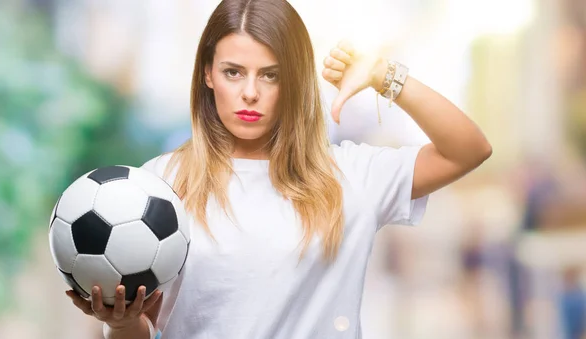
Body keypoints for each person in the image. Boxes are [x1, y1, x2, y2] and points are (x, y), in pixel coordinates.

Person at [66, 0, 492, 338]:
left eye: (270, 75)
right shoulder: (161, 185)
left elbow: (469, 149)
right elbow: (145, 327)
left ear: (294, 81)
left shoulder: (349, 176)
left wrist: (384, 74)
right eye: (234, 72)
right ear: (208, 75)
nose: (250, 93)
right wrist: (120, 325)